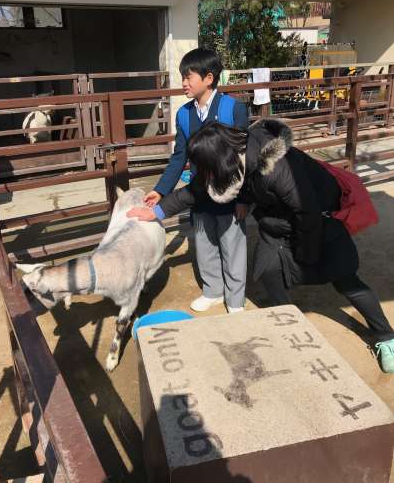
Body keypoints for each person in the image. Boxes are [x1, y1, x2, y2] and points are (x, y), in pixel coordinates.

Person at [128, 120, 394, 374]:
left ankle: (386, 337)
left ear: (220, 160)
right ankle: (288, 323)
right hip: (276, 222)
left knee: (345, 278)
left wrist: (304, 257)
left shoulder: (277, 168)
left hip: (318, 221)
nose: (203, 173)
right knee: (268, 269)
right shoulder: (232, 161)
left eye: (205, 167)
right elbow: (196, 190)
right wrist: (157, 211)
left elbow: (307, 213)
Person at [144, 48, 249, 313]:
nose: (184, 83)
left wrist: (244, 198)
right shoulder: (184, 114)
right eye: (183, 77)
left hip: (230, 193)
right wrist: (161, 190)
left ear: (209, 78)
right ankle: (213, 291)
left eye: (188, 77)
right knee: (204, 244)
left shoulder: (233, 109)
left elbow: (246, 159)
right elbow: (179, 156)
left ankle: (235, 300)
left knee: (232, 246)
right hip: (198, 192)